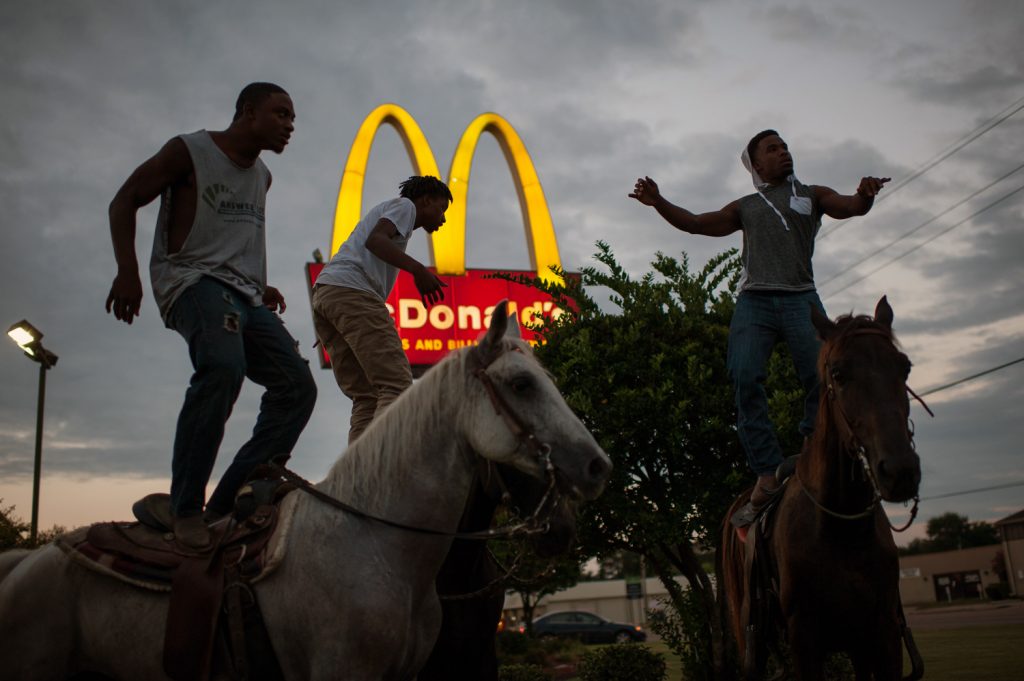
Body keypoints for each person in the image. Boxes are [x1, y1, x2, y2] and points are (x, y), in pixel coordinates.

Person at [106, 82, 317, 548]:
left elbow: (233, 240)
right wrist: (127, 271)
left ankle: (226, 505)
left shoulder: (262, 176)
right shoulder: (190, 151)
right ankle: (184, 507)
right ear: (248, 111)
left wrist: (259, 284)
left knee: (297, 387)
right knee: (223, 366)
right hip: (190, 280)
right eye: (281, 114)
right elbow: (125, 200)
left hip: (244, 293)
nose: (289, 125)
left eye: (293, 118)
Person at [630, 130, 889, 509]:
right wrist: (659, 202)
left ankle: (810, 446)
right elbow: (696, 223)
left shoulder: (813, 195)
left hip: (801, 297)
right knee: (745, 375)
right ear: (756, 166)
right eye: (772, 149)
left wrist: (865, 195)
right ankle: (767, 471)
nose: (783, 152)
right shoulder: (746, 206)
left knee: (823, 376)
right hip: (755, 301)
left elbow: (851, 206)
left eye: (784, 146)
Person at [312, 176, 451, 444]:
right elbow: (375, 240)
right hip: (352, 293)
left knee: (367, 397)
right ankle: (381, 463)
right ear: (426, 200)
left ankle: (358, 467)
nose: (443, 218)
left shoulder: (393, 213)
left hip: (330, 294)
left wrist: (337, 320)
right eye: (442, 208)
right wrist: (417, 269)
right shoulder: (405, 207)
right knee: (396, 383)